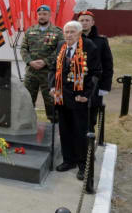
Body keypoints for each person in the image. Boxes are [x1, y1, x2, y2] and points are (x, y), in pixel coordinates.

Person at [49, 21, 101, 180]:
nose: (68, 35)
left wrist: (86, 94)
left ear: (79, 34)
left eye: (72, 32)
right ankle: (69, 160)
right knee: (65, 130)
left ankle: (83, 165)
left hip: (79, 97)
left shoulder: (89, 46)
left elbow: (95, 72)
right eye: (66, 32)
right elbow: (53, 68)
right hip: (62, 96)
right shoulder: (60, 46)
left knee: (80, 132)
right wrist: (52, 87)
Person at [20, 5, 64, 122]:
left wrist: (46, 61)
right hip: (31, 73)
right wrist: (30, 62)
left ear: (49, 15)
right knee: (27, 100)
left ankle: (55, 126)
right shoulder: (30, 31)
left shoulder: (58, 32)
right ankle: (26, 123)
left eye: (45, 14)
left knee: (51, 101)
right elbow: (23, 48)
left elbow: (61, 50)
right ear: (37, 16)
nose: (42, 16)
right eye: (40, 14)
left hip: (49, 73)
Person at [77, 10, 113, 130]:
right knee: (75, 114)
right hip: (76, 82)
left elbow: (108, 65)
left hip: (94, 84)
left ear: (93, 23)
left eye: (87, 20)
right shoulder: (73, 39)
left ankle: (89, 143)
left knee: (91, 116)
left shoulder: (101, 41)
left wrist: (105, 86)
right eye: (82, 20)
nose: (84, 23)